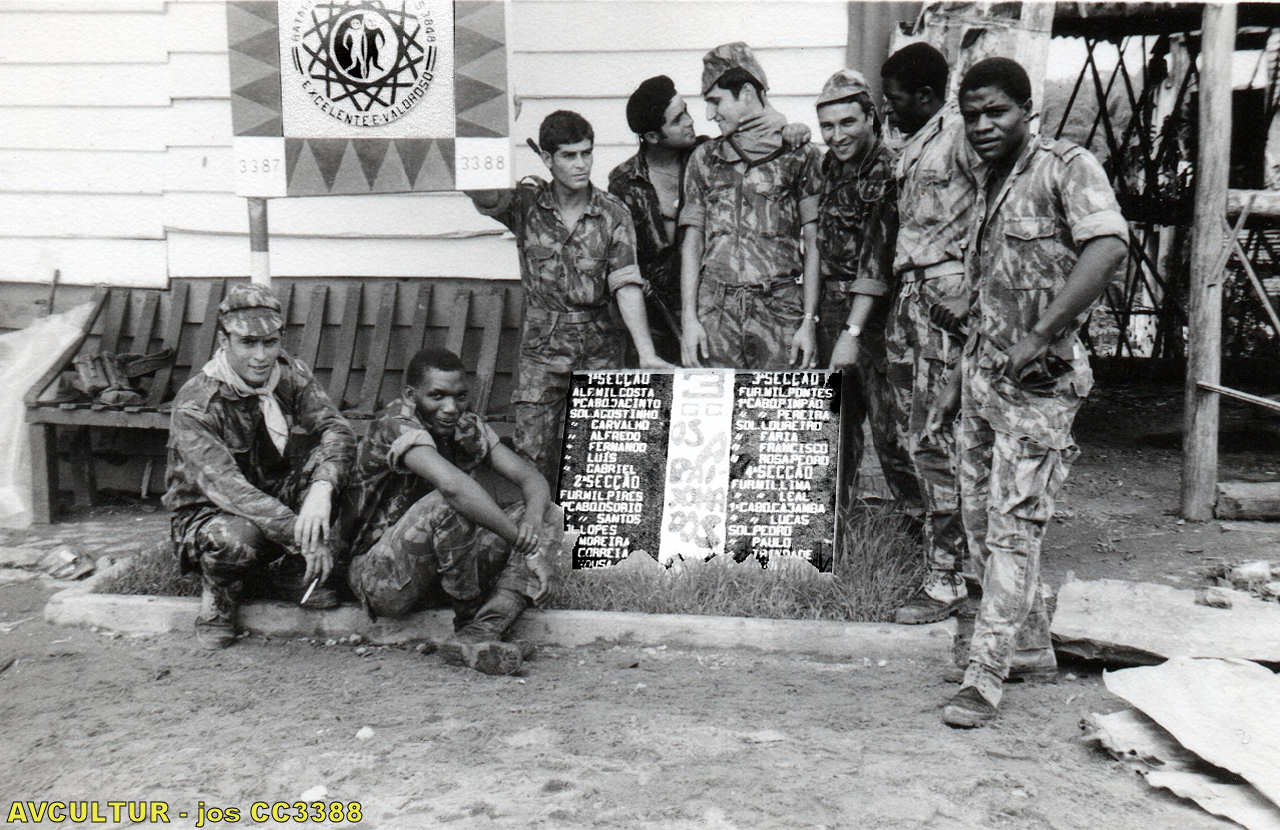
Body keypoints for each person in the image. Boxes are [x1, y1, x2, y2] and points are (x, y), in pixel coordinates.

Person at [933, 57, 1126, 727]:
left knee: (1013, 527)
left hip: (1039, 387)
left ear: (1027, 111)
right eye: (973, 115)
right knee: (978, 522)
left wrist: (1042, 334)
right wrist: (957, 372)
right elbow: (997, 288)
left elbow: (1108, 248)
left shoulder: (1065, 168)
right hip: (984, 381)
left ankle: (985, 675)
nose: (984, 125)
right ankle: (1030, 645)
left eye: (997, 112)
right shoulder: (990, 182)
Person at [468, 110, 673, 486]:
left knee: (601, 459)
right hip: (541, 352)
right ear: (547, 159)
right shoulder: (526, 204)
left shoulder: (612, 213)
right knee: (532, 458)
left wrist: (645, 352)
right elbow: (485, 193)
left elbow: (626, 282)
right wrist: (481, 135)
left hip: (600, 348)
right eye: (569, 155)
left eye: (586, 153)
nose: (581, 164)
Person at [340, 348, 555, 676]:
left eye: (460, 397)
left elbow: (532, 480)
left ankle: (482, 631)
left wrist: (532, 523)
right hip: (381, 577)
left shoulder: (465, 425)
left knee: (546, 512)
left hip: (438, 572)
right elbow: (453, 488)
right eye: (437, 396)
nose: (451, 408)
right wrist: (527, 548)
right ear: (411, 395)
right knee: (450, 502)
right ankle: (469, 618)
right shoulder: (396, 422)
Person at [163, 283, 355, 649]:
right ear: (224, 341)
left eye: (270, 342)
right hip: (210, 513)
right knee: (237, 537)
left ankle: (290, 575)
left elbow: (336, 428)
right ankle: (219, 602)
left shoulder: (289, 374)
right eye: (248, 343)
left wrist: (322, 490)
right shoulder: (197, 404)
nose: (261, 356)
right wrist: (305, 537)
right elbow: (230, 489)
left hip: (271, 497)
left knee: (337, 466)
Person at [609, 75, 812, 365]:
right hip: (656, 318)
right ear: (653, 137)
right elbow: (624, 262)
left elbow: (760, 141)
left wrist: (791, 129)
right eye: (678, 119)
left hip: (710, 311)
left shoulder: (709, 156)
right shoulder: (624, 182)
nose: (691, 121)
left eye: (686, 111)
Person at [880, 42, 978, 625]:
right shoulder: (916, 142)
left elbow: (993, 211)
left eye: (895, 100)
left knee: (935, 436)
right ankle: (953, 556)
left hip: (943, 296)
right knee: (913, 432)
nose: (888, 109)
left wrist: (970, 288)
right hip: (911, 296)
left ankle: (946, 578)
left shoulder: (963, 137)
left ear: (924, 95)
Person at [680, 42, 824, 371]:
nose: (710, 115)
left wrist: (808, 321)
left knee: (781, 403)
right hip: (716, 313)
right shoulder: (705, 158)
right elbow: (692, 242)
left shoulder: (799, 155)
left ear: (746, 93)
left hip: (779, 309)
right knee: (713, 401)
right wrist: (690, 318)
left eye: (716, 101)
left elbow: (814, 241)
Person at [814, 68, 921, 508]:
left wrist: (852, 333)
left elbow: (876, 261)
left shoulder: (888, 170)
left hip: (877, 320)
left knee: (891, 431)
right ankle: (836, 521)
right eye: (827, 126)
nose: (837, 136)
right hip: (833, 309)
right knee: (836, 423)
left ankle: (920, 523)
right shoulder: (828, 166)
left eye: (847, 123)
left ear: (871, 118)